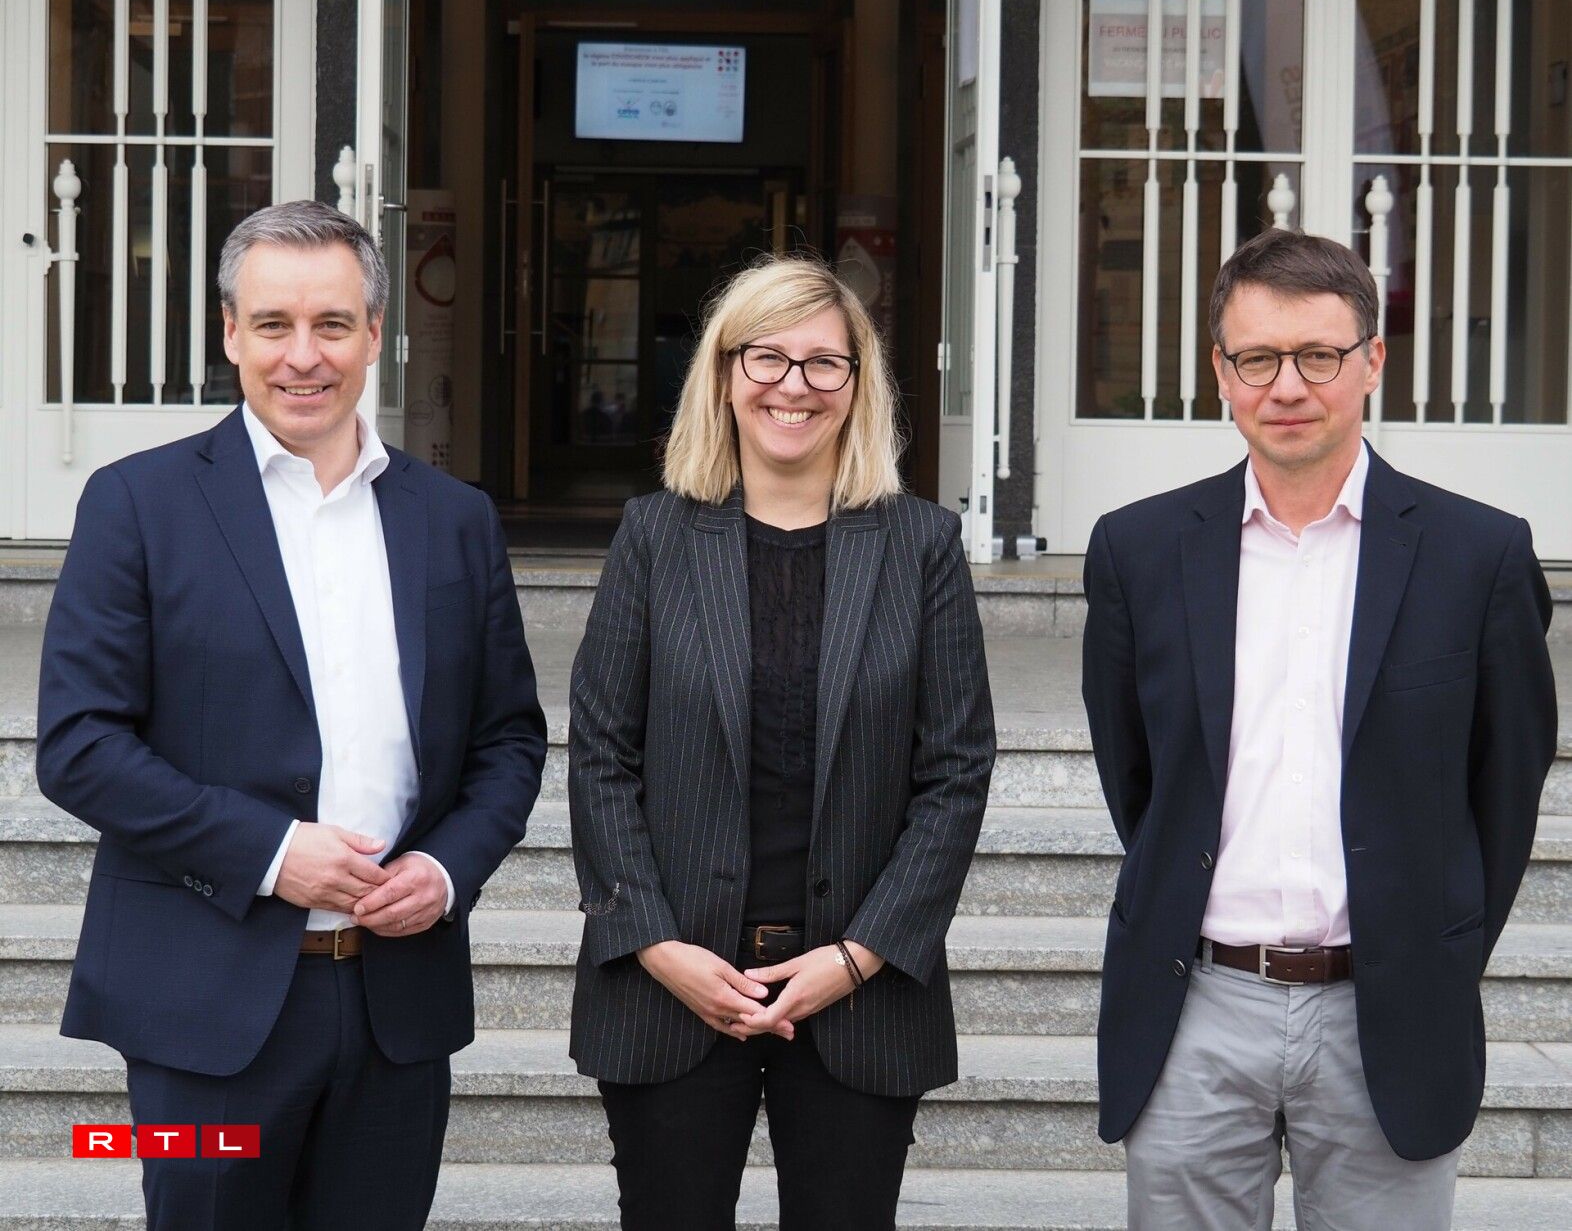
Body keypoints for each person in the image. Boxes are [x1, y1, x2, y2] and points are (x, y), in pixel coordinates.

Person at [35, 200, 547, 1229]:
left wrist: (445, 870)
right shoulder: (136, 503)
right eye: (273, 324)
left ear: (374, 333)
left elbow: (508, 740)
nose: (302, 356)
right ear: (230, 333)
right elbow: (79, 743)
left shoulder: (455, 521)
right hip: (205, 1005)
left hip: (396, 1002)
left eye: (331, 324)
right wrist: (272, 853)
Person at [1082, 227, 1558, 1230]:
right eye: (1257, 357)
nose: (1287, 384)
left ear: (1373, 361)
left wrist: (1431, 941)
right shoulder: (1139, 550)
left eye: (1319, 355)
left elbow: (1504, 790)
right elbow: (1140, 778)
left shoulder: (1480, 555)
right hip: (1198, 1005)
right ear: (1220, 370)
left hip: (1387, 1007)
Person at [567, 254, 995, 1229]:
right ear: (724, 372)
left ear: (858, 385)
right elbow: (599, 753)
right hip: (672, 985)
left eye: (823, 364)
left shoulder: (922, 546)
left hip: (858, 990)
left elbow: (956, 771)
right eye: (767, 357)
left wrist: (858, 956)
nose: (793, 385)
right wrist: (660, 944)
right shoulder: (654, 536)